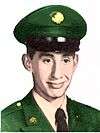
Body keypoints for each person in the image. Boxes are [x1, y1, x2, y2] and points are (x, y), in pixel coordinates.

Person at [1, 5, 100, 132]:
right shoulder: (6, 124)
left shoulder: (95, 120)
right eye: (47, 60)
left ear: (75, 62)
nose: (57, 74)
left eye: (65, 60)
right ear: (28, 62)